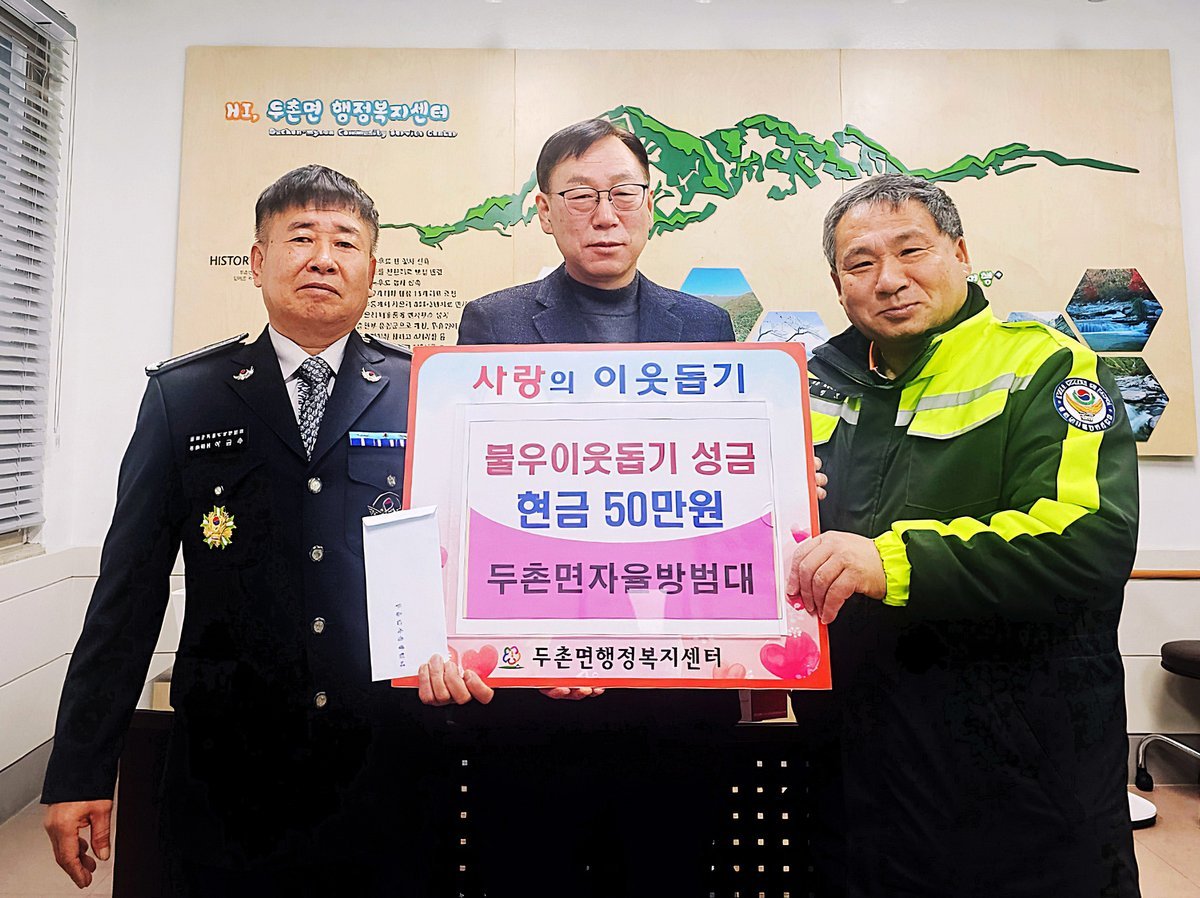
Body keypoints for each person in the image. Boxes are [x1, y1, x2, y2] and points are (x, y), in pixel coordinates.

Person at [42, 165, 475, 896]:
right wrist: (80, 768)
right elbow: (128, 592)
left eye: (345, 242)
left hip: (386, 761)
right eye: (300, 238)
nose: (323, 259)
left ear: (371, 268)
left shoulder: (423, 391)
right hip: (228, 769)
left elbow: (467, 563)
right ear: (257, 260)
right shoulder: (185, 397)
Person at [788, 174, 1140, 897]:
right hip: (854, 764)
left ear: (961, 252)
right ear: (838, 284)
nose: (889, 279)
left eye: (911, 251)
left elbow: (1089, 538)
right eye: (860, 263)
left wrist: (890, 562)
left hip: (1016, 770)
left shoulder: (1046, 366)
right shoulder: (807, 383)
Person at [440, 118, 738, 898]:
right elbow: (483, 501)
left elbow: (711, 506)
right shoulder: (495, 324)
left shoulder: (705, 327)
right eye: (580, 197)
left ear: (652, 204)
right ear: (545, 211)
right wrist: (548, 646)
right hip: (536, 701)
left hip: (671, 691)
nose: (605, 216)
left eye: (622, 194)